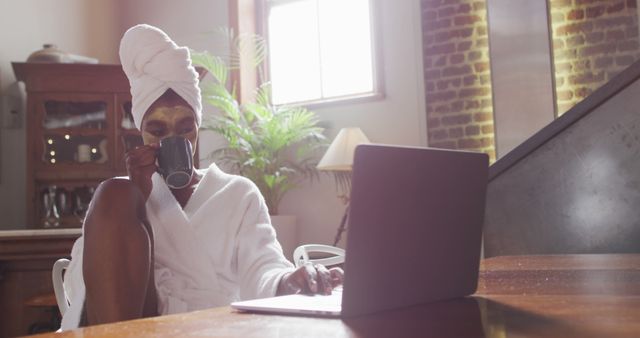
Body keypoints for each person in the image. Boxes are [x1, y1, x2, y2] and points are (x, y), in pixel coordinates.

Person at [60, 24, 343, 330]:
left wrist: (291, 280)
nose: (172, 139)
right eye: (157, 131)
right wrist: (138, 197)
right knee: (114, 191)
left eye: (185, 129)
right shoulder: (124, 201)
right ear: (140, 132)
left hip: (207, 324)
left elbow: (263, 267)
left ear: (197, 128)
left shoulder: (237, 192)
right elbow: (87, 281)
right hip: (138, 323)